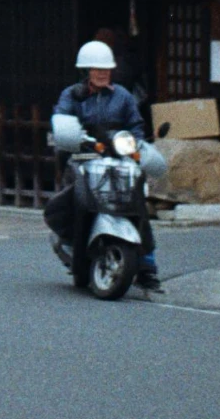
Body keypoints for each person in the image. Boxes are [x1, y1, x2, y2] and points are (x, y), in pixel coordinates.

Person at [43, 39, 159, 290]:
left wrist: (137, 146)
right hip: (83, 158)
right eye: (96, 68)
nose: (102, 72)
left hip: (118, 158)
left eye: (106, 68)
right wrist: (71, 136)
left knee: (137, 205)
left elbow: (136, 126)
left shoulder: (123, 97)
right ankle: (72, 246)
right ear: (86, 70)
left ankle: (148, 266)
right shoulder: (71, 95)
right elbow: (61, 118)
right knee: (77, 200)